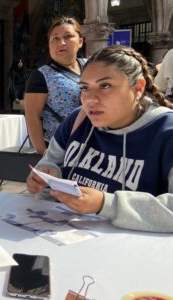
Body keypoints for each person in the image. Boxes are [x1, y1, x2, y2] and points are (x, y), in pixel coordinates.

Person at [27, 45, 173, 233]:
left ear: (138, 88)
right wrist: (47, 177)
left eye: (105, 86)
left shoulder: (166, 132)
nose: (90, 100)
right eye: (84, 88)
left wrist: (105, 203)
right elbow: (49, 165)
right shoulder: (78, 119)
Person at [24, 16, 86, 154]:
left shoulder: (91, 66)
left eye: (68, 36)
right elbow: (32, 117)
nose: (61, 42)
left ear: (80, 41)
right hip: (61, 149)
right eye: (55, 38)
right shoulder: (41, 75)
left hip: (95, 144)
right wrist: (42, 153)